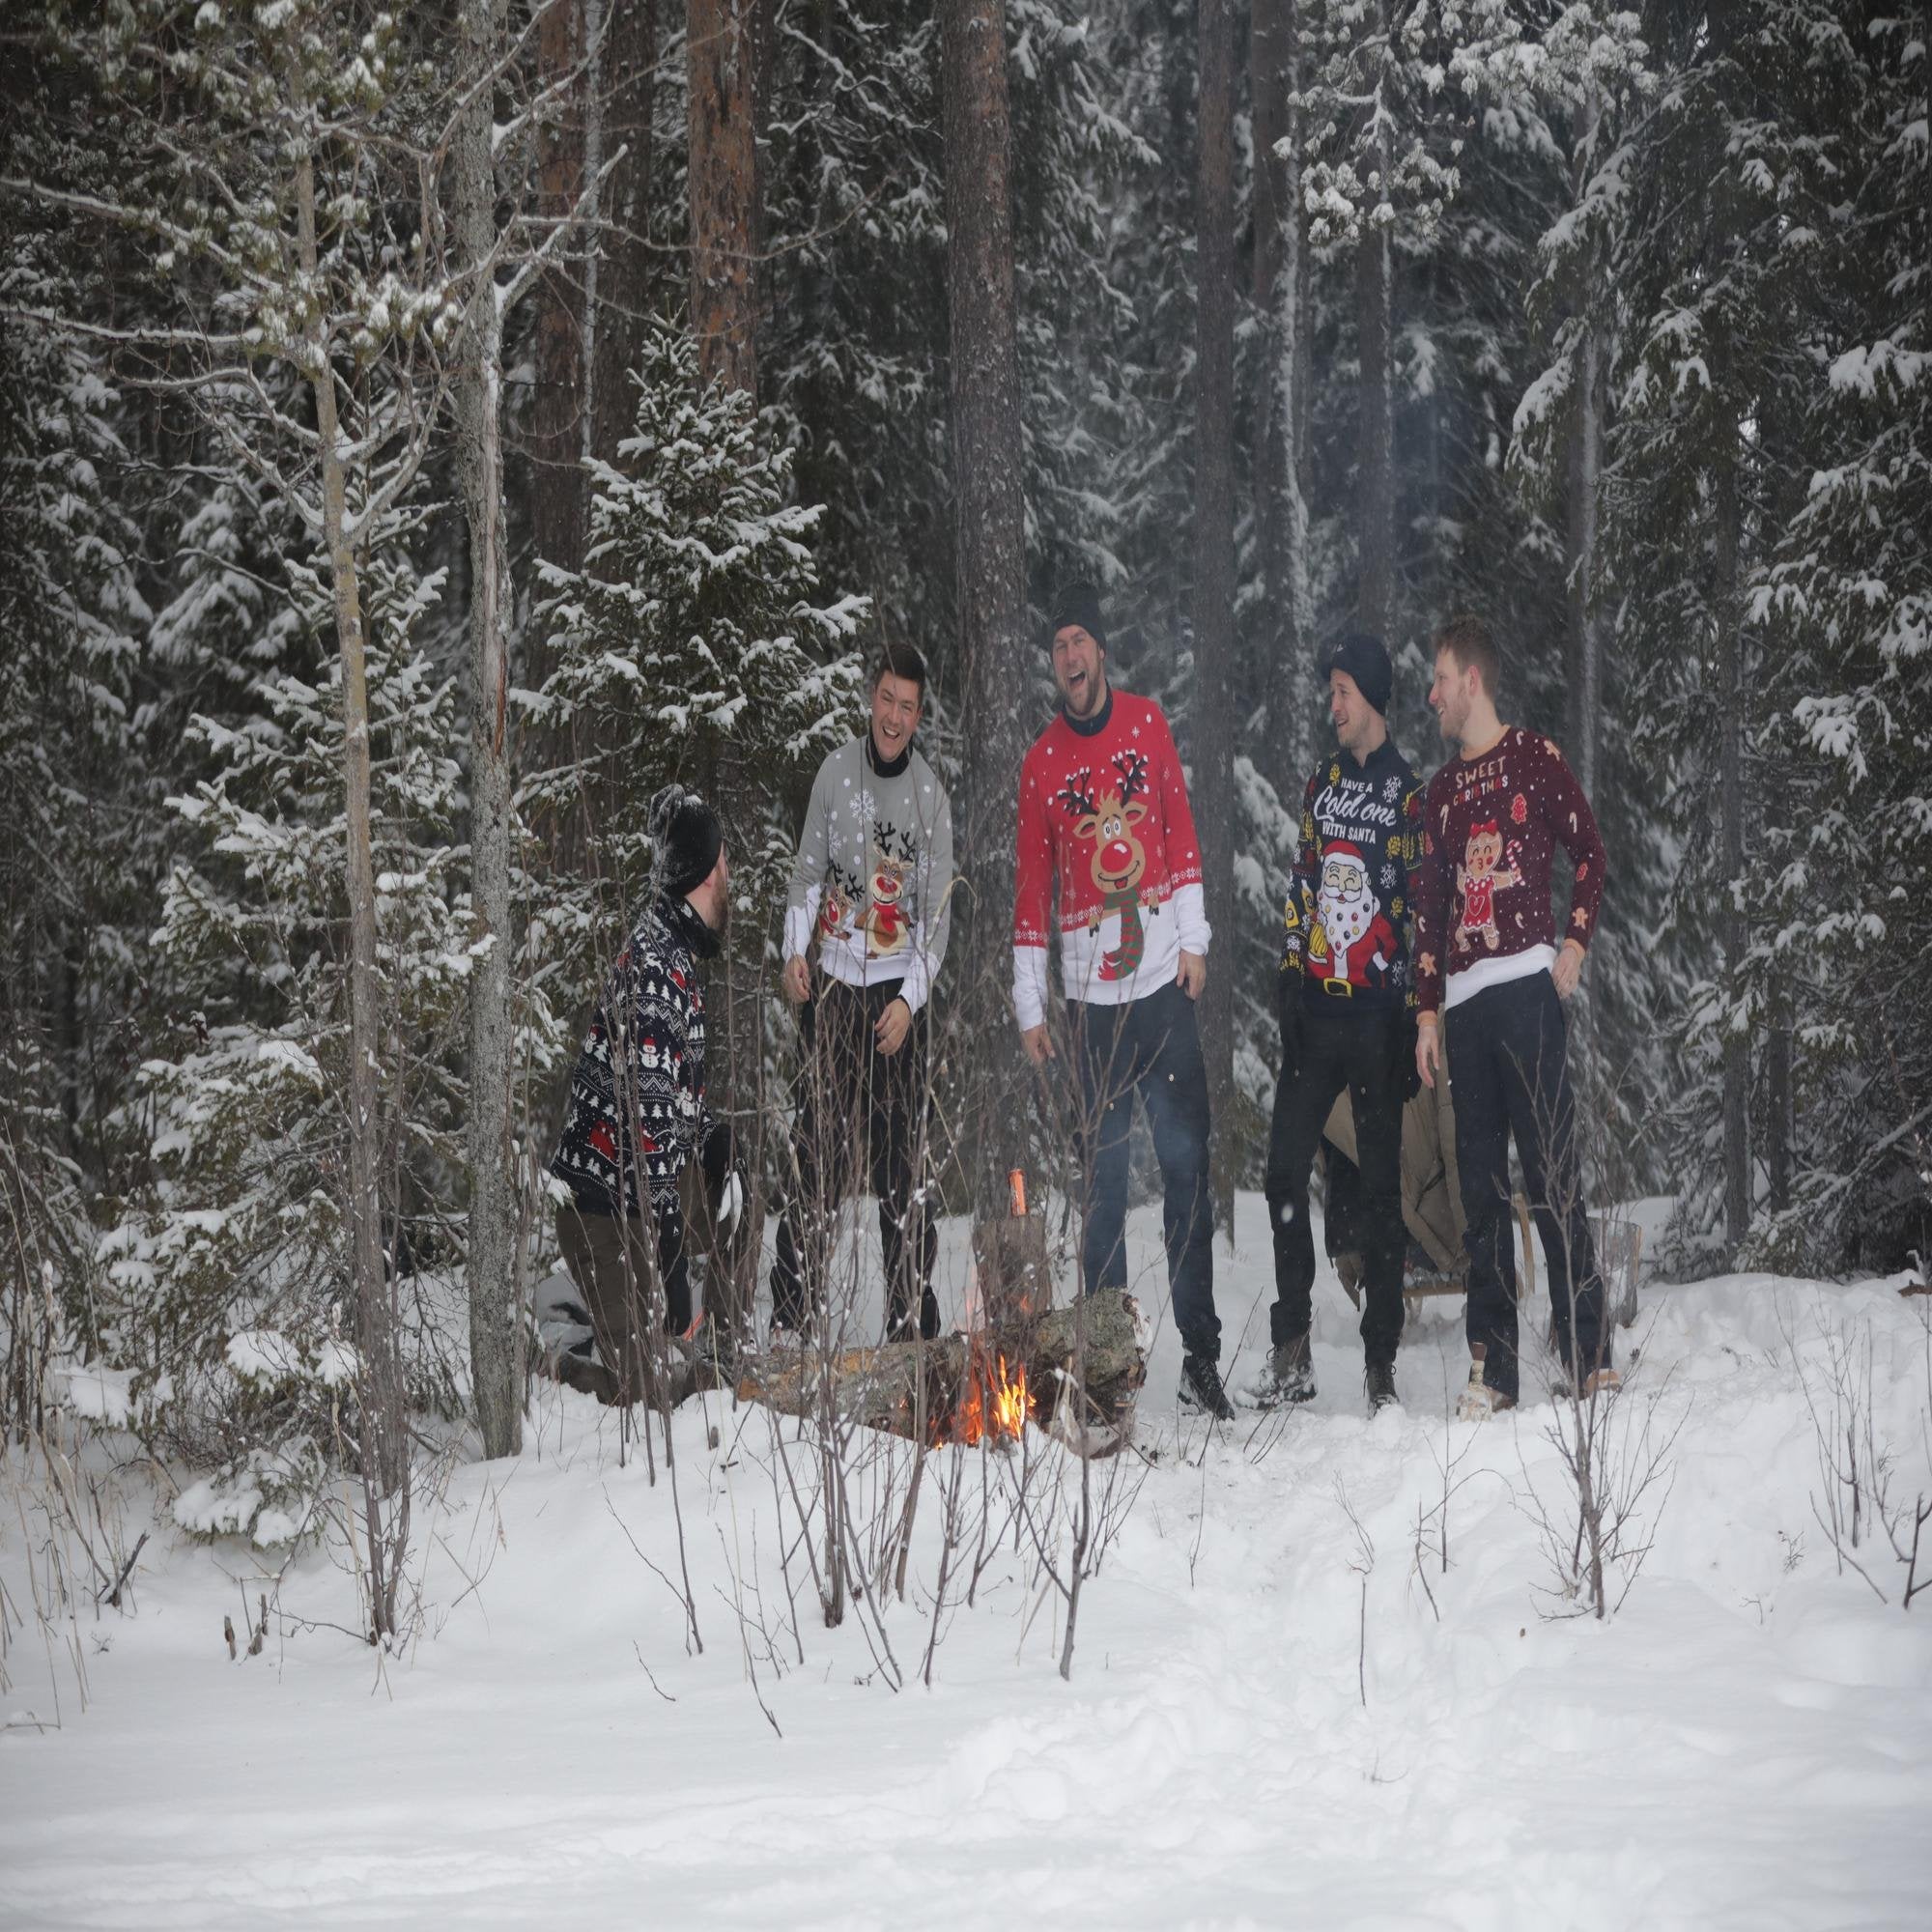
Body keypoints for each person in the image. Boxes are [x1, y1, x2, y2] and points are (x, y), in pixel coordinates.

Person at [1013, 582, 1231, 1419]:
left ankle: (1200, 1359)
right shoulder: (1041, 764)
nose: (1071, 656)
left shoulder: (1146, 723)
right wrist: (1031, 1002)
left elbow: (1178, 829)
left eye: (1081, 640)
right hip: (1092, 1008)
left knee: (1186, 1170)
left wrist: (1196, 939)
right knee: (1103, 1189)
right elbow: (1032, 888)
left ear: (1101, 650)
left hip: (1165, 989)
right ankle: (1106, 1372)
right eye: (1059, 645)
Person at [1411, 612, 1616, 1417]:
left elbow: (1590, 851)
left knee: (1551, 1172)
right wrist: (1427, 1016)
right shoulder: (1439, 795)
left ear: (1472, 680)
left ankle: (1589, 1352)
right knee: (1481, 1194)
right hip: (1463, 1011)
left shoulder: (1534, 758)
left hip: (1529, 991)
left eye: (1440, 679)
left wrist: (1575, 943)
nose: (1432, 696)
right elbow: (1429, 912)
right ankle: (1494, 1371)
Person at [1258, 634, 1424, 1413]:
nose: (1333, 704)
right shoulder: (1321, 784)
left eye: (1343, 691)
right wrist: (1291, 970)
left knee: (1384, 1193)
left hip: (1379, 1018)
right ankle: (1291, 1350)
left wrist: (1417, 1010)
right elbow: (1303, 880)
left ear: (1373, 697)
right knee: (1282, 1172)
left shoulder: (1407, 794)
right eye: (1330, 691)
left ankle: (1380, 1361)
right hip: (1318, 1014)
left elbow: (1419, 910)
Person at [770, 641, 954, 1343]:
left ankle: (910, 1321)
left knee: (900, 1167)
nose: (894, 717)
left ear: (919, 715)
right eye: (886, 700)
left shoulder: (930, 798)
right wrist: (795, 951)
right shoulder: (835, 772)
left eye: (907, 707)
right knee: (816, 1154)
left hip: (898, 998)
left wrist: (908, 1002)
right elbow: (805, 876)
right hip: (835, 988)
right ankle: (792, 1316)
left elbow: (936, 923)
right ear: (870, 697)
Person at [549, 785, 747, 1403]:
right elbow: (648, 1137)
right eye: (724, 862)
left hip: (646, 1193)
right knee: (648, 1394)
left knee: (739, 1190)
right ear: (707, 872)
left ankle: (723, 1355)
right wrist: (672, 1268)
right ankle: (558, 1366)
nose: (730, 875)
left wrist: (714, 1142)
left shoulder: (676, 949)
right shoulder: (655, 970)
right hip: (603, 1212)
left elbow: (673, 1103)